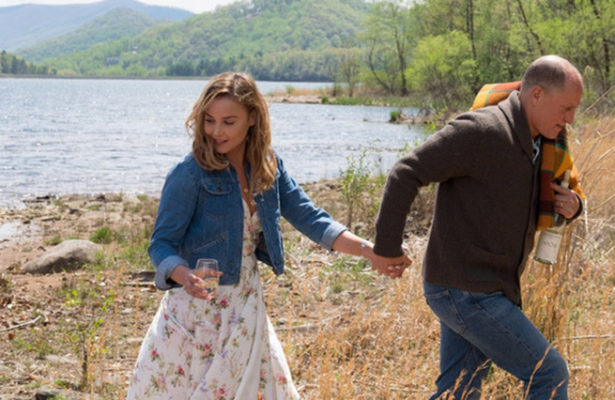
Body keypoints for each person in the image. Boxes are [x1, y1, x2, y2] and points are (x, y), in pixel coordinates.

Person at [126, 72, 388, 399]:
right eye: (209, 120)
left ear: (252, 118)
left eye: (228, 122)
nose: (216, 131)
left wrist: (370, 250)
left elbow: (312, 219)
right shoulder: (190, 172)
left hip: (246, 304)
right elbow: (161, 243)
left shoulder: (268, 167)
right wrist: (183, 273)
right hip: (196, 312)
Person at [370, 55, 584, 399]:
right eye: (566, 108)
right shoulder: (480, 131)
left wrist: (574, 206)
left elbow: (565, 190)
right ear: (537, 95)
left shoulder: (542, 145)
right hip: (465, 290)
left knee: (460, 391)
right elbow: (406, 172)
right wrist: (386, 248)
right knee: (550, 374)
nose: (570, 119)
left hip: (484, 290)